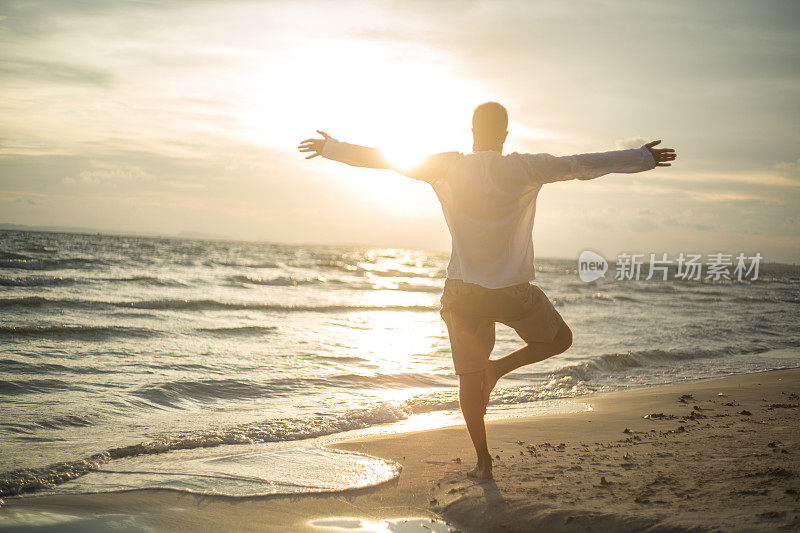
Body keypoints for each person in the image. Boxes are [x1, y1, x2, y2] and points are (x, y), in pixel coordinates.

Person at [298, 102, 676, 479]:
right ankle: (498, 369)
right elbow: (580, 164)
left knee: (467, 379)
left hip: (463, 292)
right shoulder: (524, 167)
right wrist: (642, 157)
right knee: (560, 339)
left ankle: (484, 461)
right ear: (505, 135)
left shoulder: (447, 165)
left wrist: (333, 149)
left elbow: (387, 160)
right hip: (512, 291)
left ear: (473, 131)